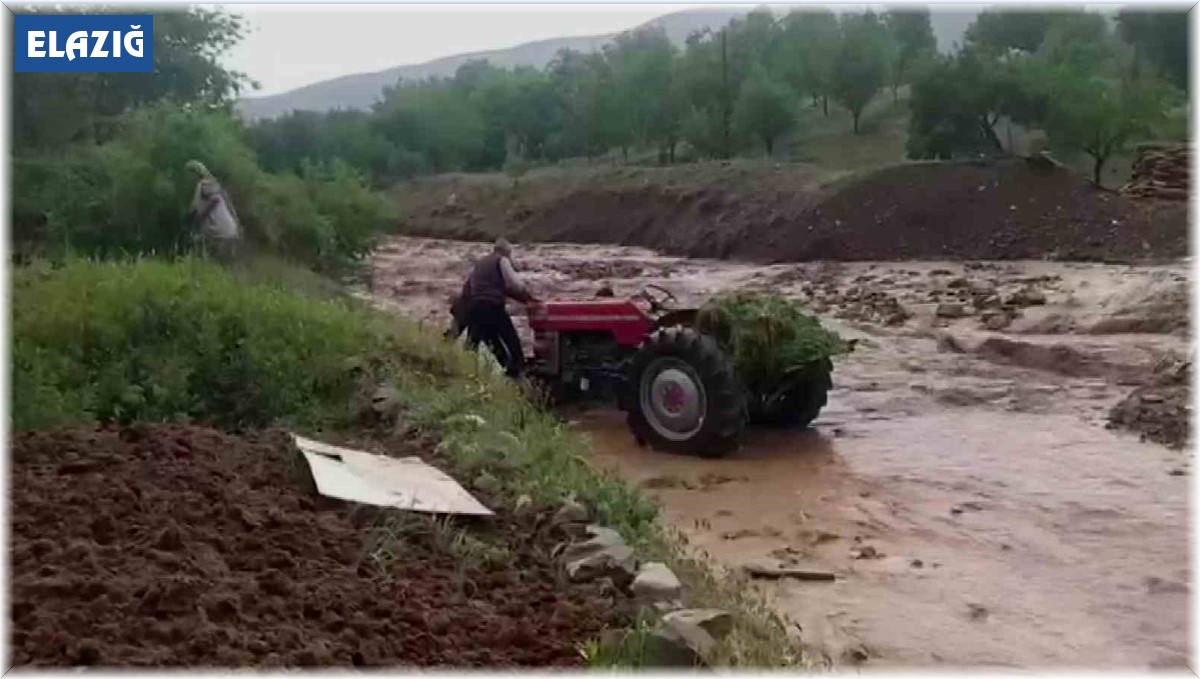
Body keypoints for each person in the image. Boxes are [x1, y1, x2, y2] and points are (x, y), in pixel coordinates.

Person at [460, 238, 535, 378]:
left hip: (475, 306)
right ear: (506, 251)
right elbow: (513, 284)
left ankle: (465, 371)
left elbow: (469, 288)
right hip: (493, 305)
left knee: (489, 341)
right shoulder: (502, 260)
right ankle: (519, 370)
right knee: (511, 338)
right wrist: (529, 297)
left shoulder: (480, 263)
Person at [185, 160, 242, 263]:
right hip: (231, 231)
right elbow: (230, 209)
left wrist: (191, 223)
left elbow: (194, 209)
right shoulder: (217, 186)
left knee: (210, 264)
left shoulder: (203, 185)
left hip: (217, 233)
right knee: (225, 268)